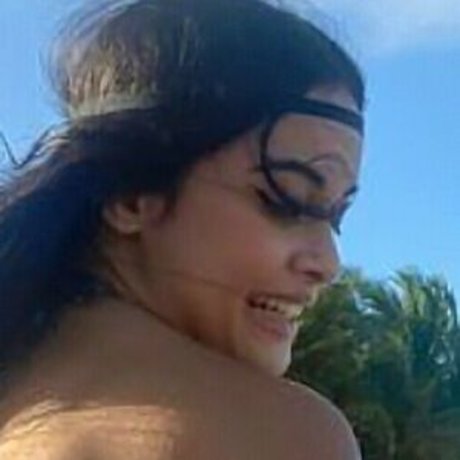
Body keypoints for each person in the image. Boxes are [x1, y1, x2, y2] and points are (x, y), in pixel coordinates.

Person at [0, 0, 365, 458]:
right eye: (285, 200)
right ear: (130, 192)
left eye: (335, 217)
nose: (328, 264)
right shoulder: (283, 435)